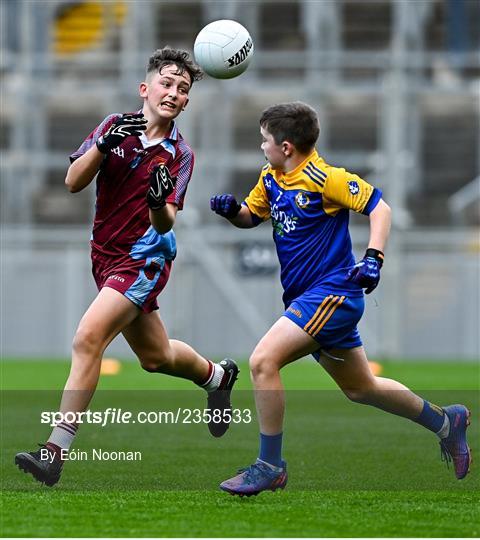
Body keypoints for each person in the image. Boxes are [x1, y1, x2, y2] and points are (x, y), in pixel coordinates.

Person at [210, 101, 471, 497]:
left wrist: (374, 259)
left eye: (264, 140)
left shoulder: (325, 178)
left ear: (285, 147)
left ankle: (270, 466)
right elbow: (252, 215)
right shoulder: (271, 176)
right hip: (308, 298)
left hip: (333, 294)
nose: (260, 146)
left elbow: (380, 209)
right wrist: (233, 213)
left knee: (263, 361)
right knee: (361, 388)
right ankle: (446, 423)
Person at [15, 47, 238, 487]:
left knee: (87, 338)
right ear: (145, 88)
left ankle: (55, 451)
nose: (174, 92)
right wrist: (102, 146)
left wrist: (157, 201)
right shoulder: (113, 126)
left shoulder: (180, 154)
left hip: (144, 258)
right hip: (104, 255)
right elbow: (73, 182)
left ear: (187, 102)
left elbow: (166, 219)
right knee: (155, 358)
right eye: (167, 83)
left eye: (183, 89)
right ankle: (218, 376)